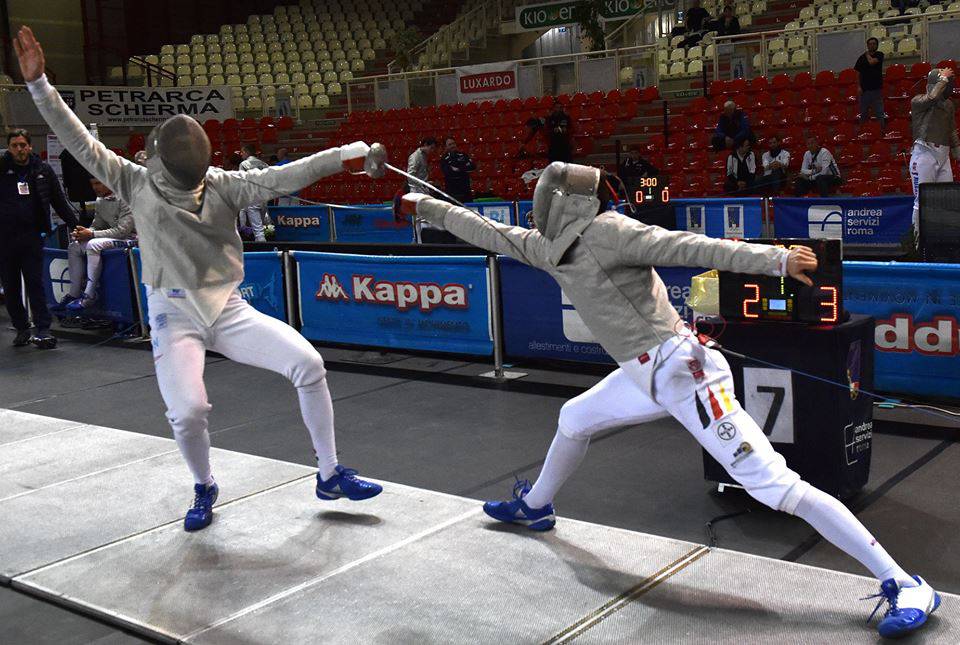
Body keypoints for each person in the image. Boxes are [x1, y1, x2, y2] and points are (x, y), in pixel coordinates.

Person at [400, 161, 941, 640]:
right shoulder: (548, 248)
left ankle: (904, 582)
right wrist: (425, 205)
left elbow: (686, 246)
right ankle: (536, 506)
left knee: (778, 488)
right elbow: (486, 229)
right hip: (643, 377)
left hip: (688, 377)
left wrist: (773, 261)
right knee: (574, 417)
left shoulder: (611, 232)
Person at [15, 25, 386, 531]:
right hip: (172, 314)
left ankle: (329, 472)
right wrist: (39, 86)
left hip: (228, 309)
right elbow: (76, 139)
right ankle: (205, 484)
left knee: (308, 365)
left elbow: (284, 176)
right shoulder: (133, 179)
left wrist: (344, 155)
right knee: (189, 412)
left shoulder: (224, 184)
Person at [0, 127, 77, 349]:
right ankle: (22, 328)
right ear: (10, 147)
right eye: (14, 145)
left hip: (31, 235)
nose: (19, 149)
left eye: (23, 145)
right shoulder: (1, 168)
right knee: (11, 287)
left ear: (30, 146)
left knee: (36, 283)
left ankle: (43, 328)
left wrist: (75, 224)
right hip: (4, 239)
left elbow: (58, 200)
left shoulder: (42, 170)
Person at [62, 177, 137, 312]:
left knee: (93, 245)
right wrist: (83, 232)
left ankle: (89, 296)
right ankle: (74, 293)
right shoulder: (100, 201)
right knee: (74, 246)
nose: (95, 188)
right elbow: (97, 226)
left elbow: (123, 231)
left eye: (98, 183)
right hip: (115, 238)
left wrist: (91, 235)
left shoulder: (126, 198)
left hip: (132, 239)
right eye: (92, 184)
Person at [909, 68, 959, 229]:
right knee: (922, 200)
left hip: (944, 157)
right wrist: (943, 79)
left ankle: (943, 242)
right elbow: (931, 98)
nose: (948, 87)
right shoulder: (918, 101)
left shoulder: (949, 105)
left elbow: (951, 129)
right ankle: (917, 243)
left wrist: (957, 149)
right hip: (924, 154)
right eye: (946, 83)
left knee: (946, 200)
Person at [238, 144, 269, 242]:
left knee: (258, 231)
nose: (241, 154)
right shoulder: (264, 164)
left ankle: (262, 252)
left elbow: (242, 182)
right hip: (264, 197)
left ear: (247, 152)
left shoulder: (244, 164)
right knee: (264, 227)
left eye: (242, 152)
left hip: (252, 198)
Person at [855, 38, 886, 128]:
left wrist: (867, 54)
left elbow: (872, 62)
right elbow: (857, 72)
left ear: (877, 45)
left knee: (879, 113)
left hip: (876, 89)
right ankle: (864, 132)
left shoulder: (879, 55)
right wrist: (859, 86)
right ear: (867, 45)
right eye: (870, 44)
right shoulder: (861, 58)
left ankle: (881, 132)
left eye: (874, 44)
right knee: (863, 114)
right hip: (864, 90)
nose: (872, 45)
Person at [439, 137, 476, 204]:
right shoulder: (444, 159)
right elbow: (448, 172)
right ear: (446, 147)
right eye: (450, 144)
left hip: (465, 189)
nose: (453, 146)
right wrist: (463, 168)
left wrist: (458, 169)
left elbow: (472, 167)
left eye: (453, 143)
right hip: (452, 191)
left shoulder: (463, 155)